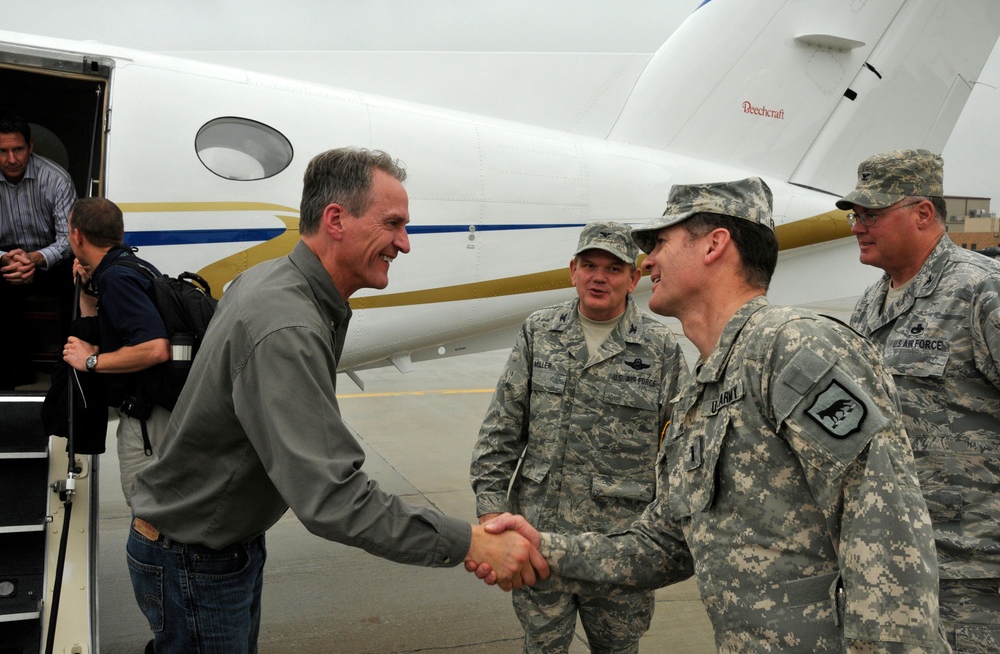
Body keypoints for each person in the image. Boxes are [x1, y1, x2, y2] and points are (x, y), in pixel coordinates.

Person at [477, 177, 949, 652]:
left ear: (714, 246)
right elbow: (663, 544)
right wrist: (538, 549)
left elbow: (889, 536)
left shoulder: (793, 347)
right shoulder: (702, 390)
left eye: (660, 243)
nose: (648, 261)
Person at [125, 147, 548, 654]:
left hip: (205, 547)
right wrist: (471, 542)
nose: (404, 244)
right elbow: (332, 497)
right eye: (393, 224)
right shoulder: (287, 323)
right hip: (195, 560)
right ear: (336, 220)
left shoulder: (272, 282)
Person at [470, 220, 689, 653]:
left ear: (634, 277)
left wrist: (663, 536)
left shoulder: (659, 348)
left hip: (619, 551)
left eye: (612, 268)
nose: (598, 277)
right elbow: (501, 430)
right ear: (573, 270)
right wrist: (491, 517)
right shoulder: (540, 332)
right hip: (539, 541)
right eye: (589, 265)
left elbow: (679, 453)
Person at [838, 149, 1000, 652]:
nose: (857, 227)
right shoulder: (871, 301)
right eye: (855, 215)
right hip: (886, 562)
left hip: (969, 570)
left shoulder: (980, 289)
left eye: (871, 215)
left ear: (923, 213)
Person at [61, 197, 171, 504]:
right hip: (150, 409)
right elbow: (114, 329)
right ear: (119, 235)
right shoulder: (124, 267)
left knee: (148, 506)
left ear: (77, 236)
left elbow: (154, 348)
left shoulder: (116, 278)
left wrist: (91, 361)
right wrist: (85, 291)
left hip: (147, 418)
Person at [0, 113, 77, 388]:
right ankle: (12, 372)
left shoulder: (56, 179)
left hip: (51, 261)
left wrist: (35, 258)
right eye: (3, 151)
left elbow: (68, 240)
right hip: (6, 262)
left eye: (18, 149)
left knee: (78, 276)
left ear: (30, 147)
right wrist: (7, 259)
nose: (11, 159)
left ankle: (67, 369)